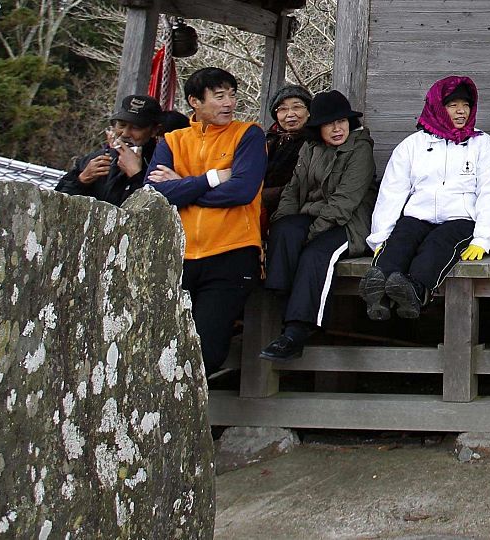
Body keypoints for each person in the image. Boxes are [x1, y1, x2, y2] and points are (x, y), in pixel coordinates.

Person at [147, 67, 267, 378]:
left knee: (207, 352)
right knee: (161, 343)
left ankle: (194, 421)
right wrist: (212, 178)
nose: (229, 103)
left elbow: (241, 190)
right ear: (195, 102)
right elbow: (154, 192)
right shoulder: (173, 141)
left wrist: (183, 187)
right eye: (219, 96)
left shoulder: (248, 134)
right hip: (179, 254)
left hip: (231, 252)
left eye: (232, 95)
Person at [361, 76, 490, 320]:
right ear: (437, 106)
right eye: (452, 105)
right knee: (400, 240)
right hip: (419, 214)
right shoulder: (412, 146)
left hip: (460, 218)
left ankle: (417, 293)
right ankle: (379, 296)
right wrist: (380, 238)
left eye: (466, 105)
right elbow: (392, 192)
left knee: (436, 247)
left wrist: (485, 238)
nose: (461, 111)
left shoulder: (483, 144)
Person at [259, 90, 377, 361]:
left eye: (342, 122)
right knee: (285, 230)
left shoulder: (360, 149)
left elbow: (345, 202)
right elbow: (293, 190)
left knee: (316, 255)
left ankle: (296, 331)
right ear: (318, 128)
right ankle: (284, 301)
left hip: (349, 224)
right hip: (312, 216)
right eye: (329, 124)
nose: (337, 129)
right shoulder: (310, 148)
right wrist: (281, 224)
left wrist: (310, 235)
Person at [55, 93, 161, 207]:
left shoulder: (160, 165)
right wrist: (81, 180)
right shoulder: (97, 159)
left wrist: (136, 176)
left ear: (154, 130)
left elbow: (156, 212)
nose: (125, 133)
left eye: (136, 128)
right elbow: (57, 204)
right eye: (121, 125)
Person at [261, 84, 313, 222]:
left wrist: (261, 196)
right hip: (258, 208)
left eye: (297, 107)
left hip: (295, 212)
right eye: (283, 109)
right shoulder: (268, 140)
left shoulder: (314, 141)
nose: (290, 114)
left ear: (308, 111)